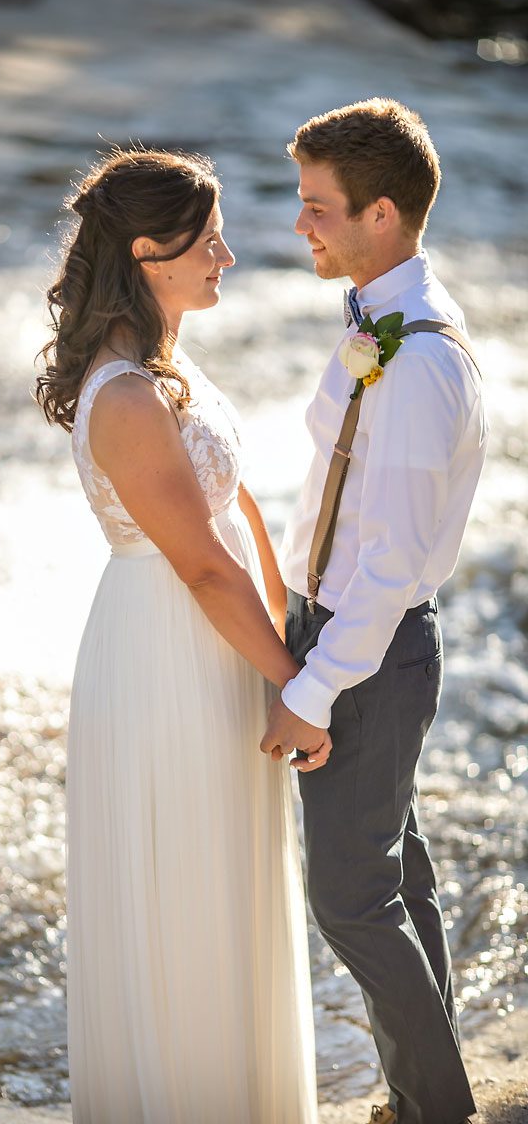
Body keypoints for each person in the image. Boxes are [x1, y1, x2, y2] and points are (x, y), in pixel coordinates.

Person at [36, 148, 321, 1123]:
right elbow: (201, 562)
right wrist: (296, 683)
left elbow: (235, 508)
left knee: (230, 878)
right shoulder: (123, 395)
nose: (227, 258)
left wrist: (292, 639)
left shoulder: (167, 365)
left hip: (216, 639)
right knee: (183, 897)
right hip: (166, 656)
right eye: (207, 243)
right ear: (149, 252)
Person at [261, 99, 487, 1124]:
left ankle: (434, 1110)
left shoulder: (420, 360)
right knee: (396, 878)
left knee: (350, 902)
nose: (299, 226)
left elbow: (388, 565)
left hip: (368, 645)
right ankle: (422, 1094)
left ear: (381, 213)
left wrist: (311, 689)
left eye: (317, 208)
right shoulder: (371, 321)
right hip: (347, 632)